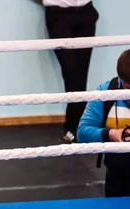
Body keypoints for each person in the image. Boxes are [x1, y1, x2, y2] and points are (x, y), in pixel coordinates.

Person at [34, 0, 100, 143]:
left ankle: (78, 127)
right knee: (71, 72)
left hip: (86, 12)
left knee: (81, 73)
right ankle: (76, 127)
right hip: (58, 15)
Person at [77, 49, 130, 197]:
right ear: (120, 78)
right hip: (119, 174)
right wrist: (110, 133)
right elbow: (82, 132)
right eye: (128, 88)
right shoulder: (105, 92)